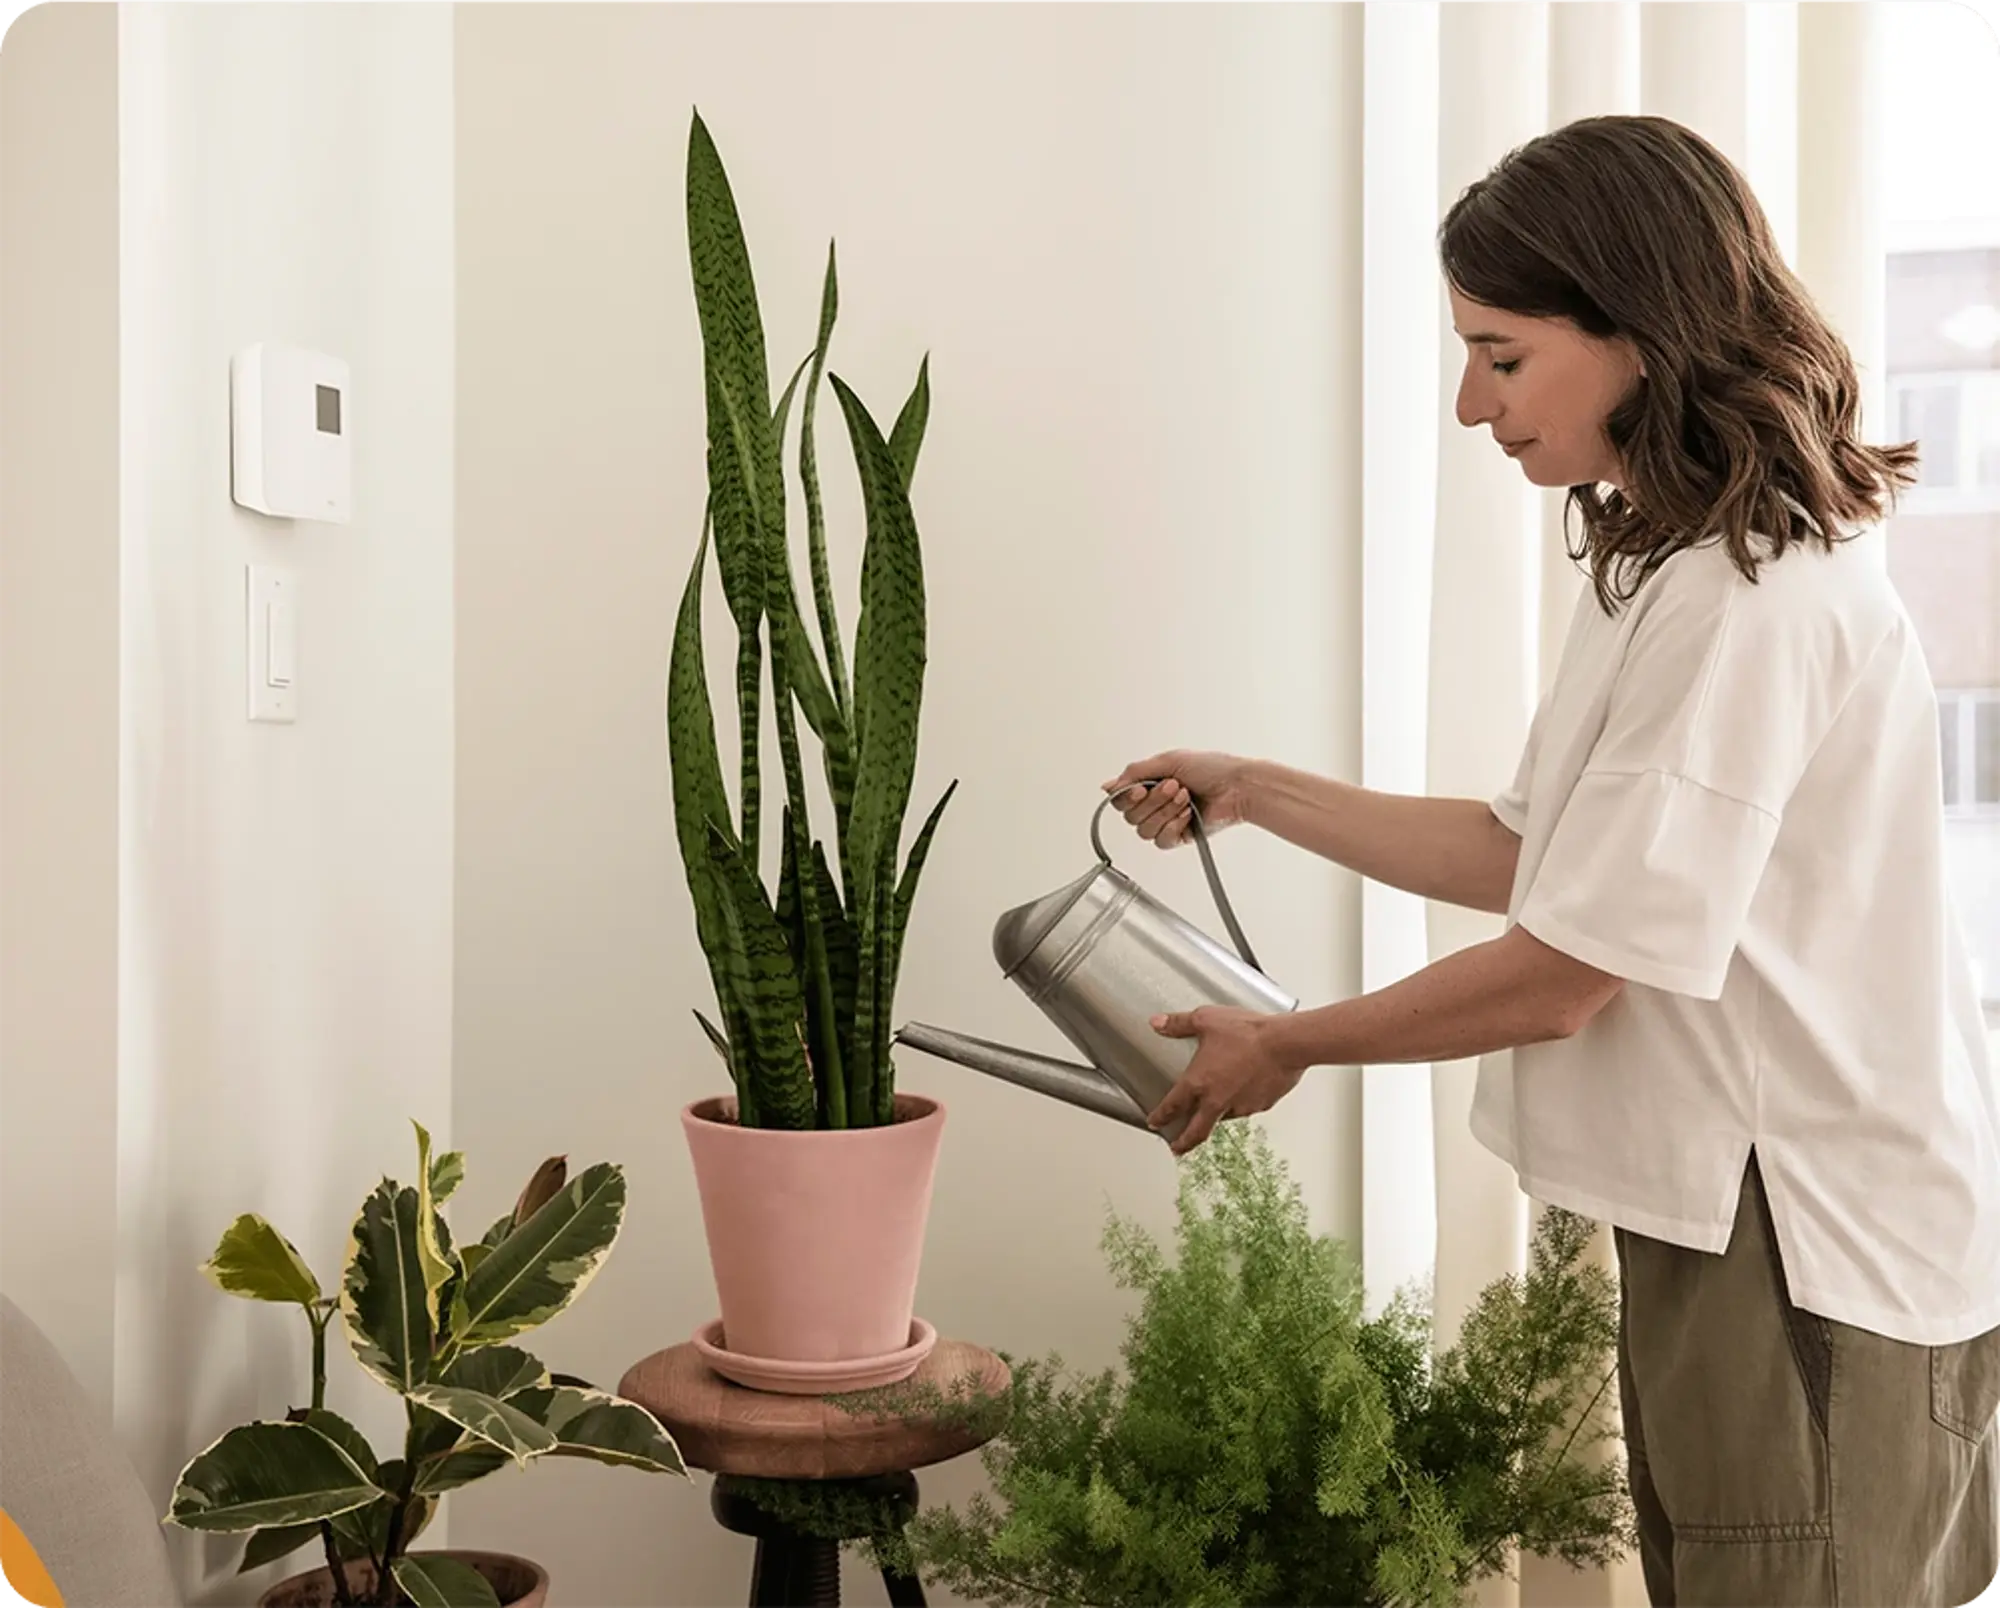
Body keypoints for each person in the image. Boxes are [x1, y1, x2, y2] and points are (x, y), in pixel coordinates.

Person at [1102, 114, 2000, 1608]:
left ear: (1639, 334)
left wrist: (1290, 1046)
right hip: (1750, 1233)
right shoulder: (1670, 558)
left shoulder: (1743, 600)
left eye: (1502, 356)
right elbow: (1532, 855)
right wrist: (1252, 789)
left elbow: (1573, 970)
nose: (1472, 405)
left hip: (1807, 1254)